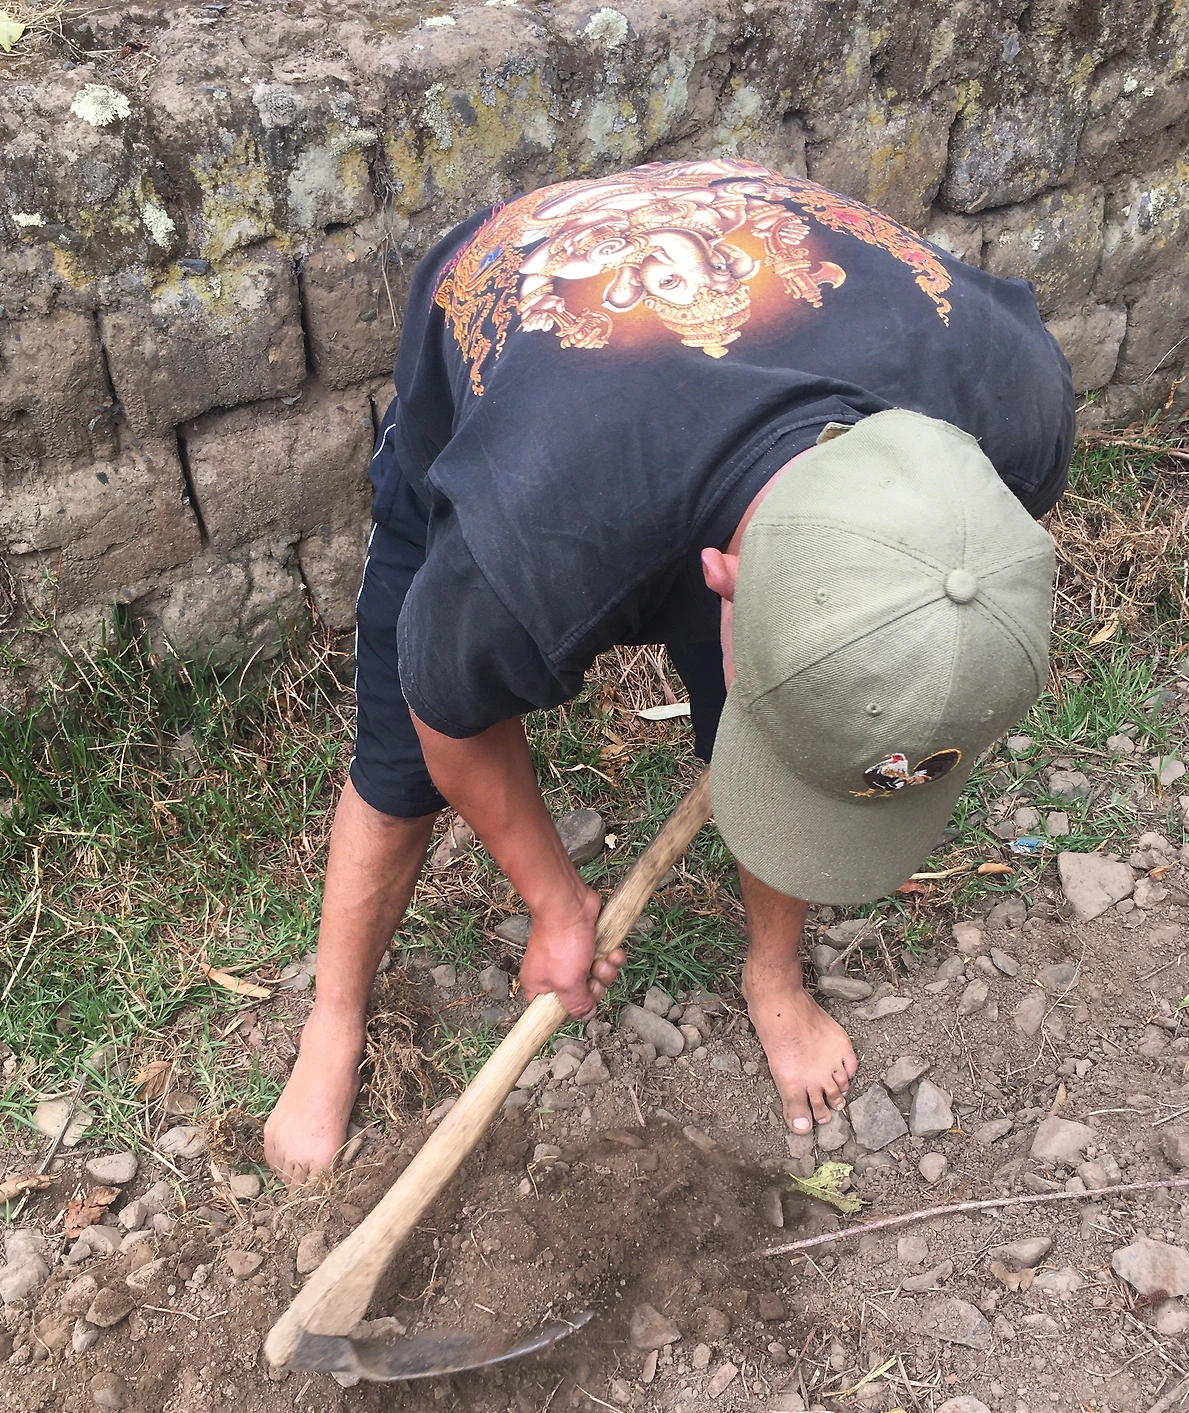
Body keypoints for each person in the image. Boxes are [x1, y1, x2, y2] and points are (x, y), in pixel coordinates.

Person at [264, 158, 1072, 1184]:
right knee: (394, 764)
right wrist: (554, 901)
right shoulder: (530, 537)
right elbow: (446, 720)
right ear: (718, 582)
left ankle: (771, 971)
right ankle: (332, 1017)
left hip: (758, 259)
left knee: (800, 710)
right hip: (520, 294)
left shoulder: (1011, 418)